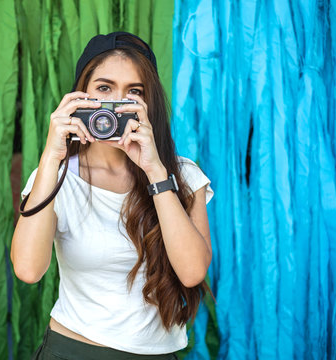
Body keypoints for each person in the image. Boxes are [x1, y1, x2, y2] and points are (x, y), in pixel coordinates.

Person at [11, 31, 214, 359]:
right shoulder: (55, 177)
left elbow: (192, 272)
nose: (116, 105)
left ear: (149, 104)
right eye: (104, 88)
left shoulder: (182, 175)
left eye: (134, 92)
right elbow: (28, 270)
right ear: (81, 97)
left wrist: (155, 172)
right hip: (71, 350)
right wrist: (50, 158)